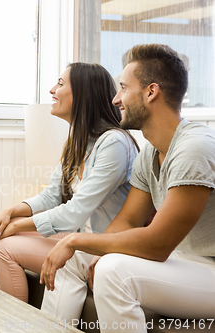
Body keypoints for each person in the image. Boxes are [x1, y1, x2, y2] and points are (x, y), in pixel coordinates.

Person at [40, 44, 215, 332]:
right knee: (75, 262)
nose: (116, 98)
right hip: (185, 260)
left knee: (113, 272)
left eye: (123, 88)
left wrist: (74, 241)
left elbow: (157, 244)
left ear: (151, 92)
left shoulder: (194, 148)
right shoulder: (150, 153)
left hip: (207, 266)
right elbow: (128, 220)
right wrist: (93, 252)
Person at [0, 63, 138, 303]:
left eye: (60, 83)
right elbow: (51, 196)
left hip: (101, 245)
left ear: (84, 94)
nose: (51, 90)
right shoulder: (77, 142)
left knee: (5, 248)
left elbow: (74, 212)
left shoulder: (114, 144)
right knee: (10, 227)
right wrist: (11, 212)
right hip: (79, 236)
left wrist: (17, 226)